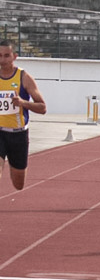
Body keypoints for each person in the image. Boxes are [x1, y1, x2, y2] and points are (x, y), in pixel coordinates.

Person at [0, 40, 47, 191]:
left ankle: (11, 165)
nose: (2, 60)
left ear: (14, 56)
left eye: (6, 56)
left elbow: (42, 107)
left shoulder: (24, 77)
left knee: (18, 184)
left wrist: (23, 102)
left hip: (18, 134)